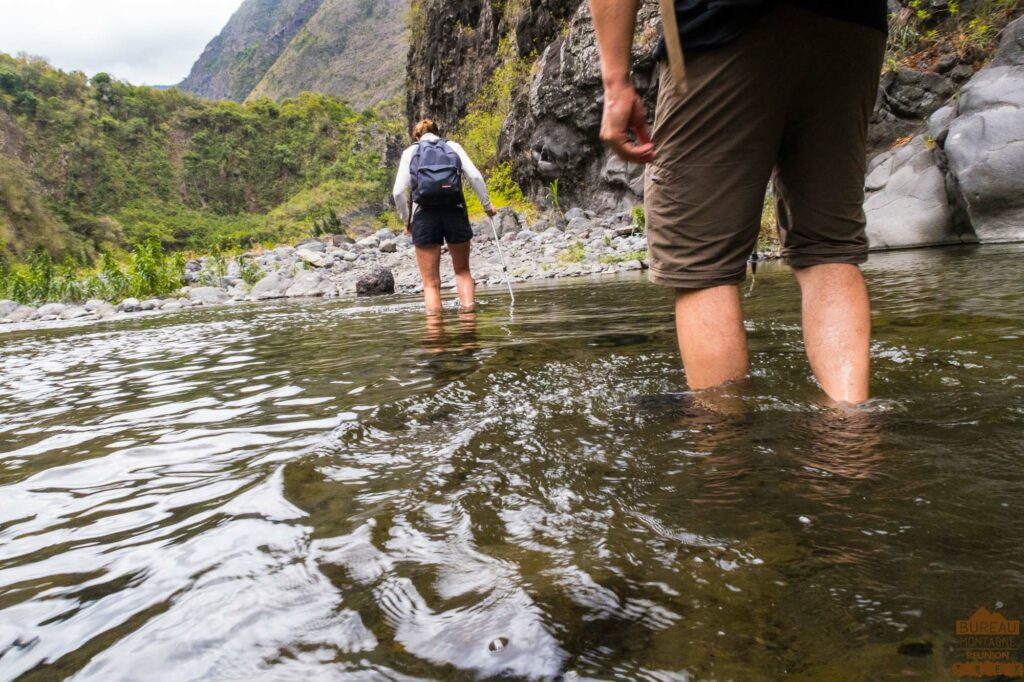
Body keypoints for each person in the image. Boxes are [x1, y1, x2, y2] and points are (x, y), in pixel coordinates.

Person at [588, 0, 887, 404]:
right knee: (829, 248)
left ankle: (726, 451)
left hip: (721, 25)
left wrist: (616, 84)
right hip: (853, 25)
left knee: (701, 262)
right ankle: (850, 434)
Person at [393, 119, 497, 315]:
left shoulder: (410, 152)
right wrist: (487, 206)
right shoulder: (453, 146)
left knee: (431, 284)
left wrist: (407, 221)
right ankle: (469, 330)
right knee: (463, 271)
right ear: (438, 133)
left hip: (424, 215)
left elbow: (398, 192)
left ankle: (436, 340)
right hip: (455, 211)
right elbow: (475, 177)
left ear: (417, 136)